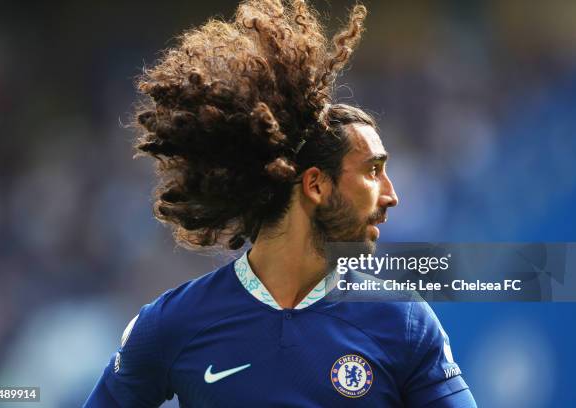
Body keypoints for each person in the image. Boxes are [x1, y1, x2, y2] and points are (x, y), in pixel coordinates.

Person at [84, 0, 477, 406]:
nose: (391, 195)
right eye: (373, 172)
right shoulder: (173, 324)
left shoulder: (405, 322)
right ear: (315, 185)